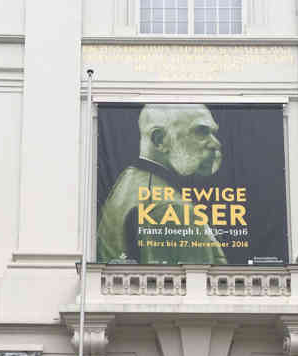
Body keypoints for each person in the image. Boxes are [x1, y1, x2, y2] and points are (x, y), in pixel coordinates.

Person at [97, 104, 228, 265]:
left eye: (213, 133)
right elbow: (198, 284)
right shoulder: (172, 208)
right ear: (159, 140)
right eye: (201, 131)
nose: (215, 143)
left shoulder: (128, 180)